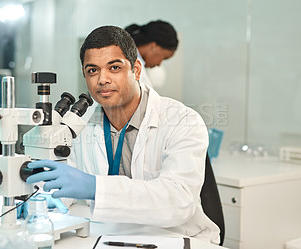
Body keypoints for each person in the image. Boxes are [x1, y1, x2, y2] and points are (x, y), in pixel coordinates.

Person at [26, 25, 220, 244]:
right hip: (110, 235)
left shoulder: (183, 121)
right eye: (92, 70)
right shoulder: (78, 125)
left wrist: (94, 187)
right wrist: (41, 195)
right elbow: (67, 186)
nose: (102, 79)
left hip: (177, 238)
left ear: (136, 70)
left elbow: (178, 201)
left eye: (114, 67)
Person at [125, 20, 179, 88]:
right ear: (154, 46)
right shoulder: (130, 64)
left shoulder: (130, 58)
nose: (159, 64)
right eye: (163, 58)